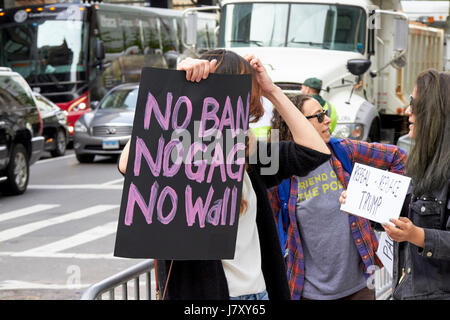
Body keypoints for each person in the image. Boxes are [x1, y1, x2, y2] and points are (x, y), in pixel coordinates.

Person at [118, 49, 331, 300]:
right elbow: (130, 164)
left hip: (258, 294)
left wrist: (272, 90)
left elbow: (314, 152)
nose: (247, 93)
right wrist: (173, 86)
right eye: (239, 84)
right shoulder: (183, 153)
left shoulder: (250, 155)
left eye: (249, 86)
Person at [268, 94, 407, 300]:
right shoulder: (280, 171)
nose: (327, 120)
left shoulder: (343, 150)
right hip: (307, 292)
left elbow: (397, 157)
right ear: (295, 123)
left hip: (360, 288)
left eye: (324, 113)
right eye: (318, 116)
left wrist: (374, 203)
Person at [342, 69, 450, 300]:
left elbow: (416, 231)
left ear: (434, 112)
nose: (408, 111)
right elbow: (400, 216)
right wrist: (360, 203)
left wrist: (416, 235)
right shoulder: (422, 162)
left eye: (414, 103)